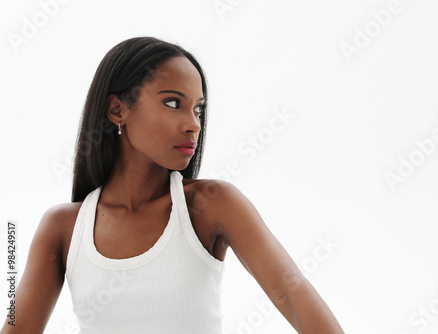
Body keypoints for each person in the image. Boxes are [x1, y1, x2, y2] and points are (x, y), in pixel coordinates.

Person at [1, 36, 345, 334]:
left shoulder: (211, 205)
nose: (193, 124)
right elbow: (17, 326)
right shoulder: (63, 227)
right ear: (117, 110)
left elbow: (294, 294)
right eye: (172, 103)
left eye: (198, 109)